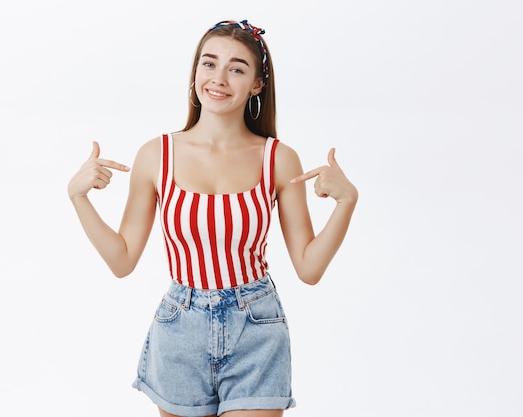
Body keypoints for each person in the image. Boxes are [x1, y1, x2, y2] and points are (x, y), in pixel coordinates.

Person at [67, 19, 358, 417]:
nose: (219, 78)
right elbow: (122, 260)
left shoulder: (278, 158)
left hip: (255, 327)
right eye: (209, 64)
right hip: (179, 328)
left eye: (237, 68)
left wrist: (346, 203)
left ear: (257, 84)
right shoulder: (157, 155)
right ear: (195, 72)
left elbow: (309, 267)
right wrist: (78, 197)